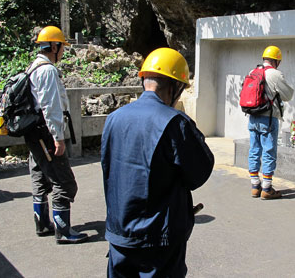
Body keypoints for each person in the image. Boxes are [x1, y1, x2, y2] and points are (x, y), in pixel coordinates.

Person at [101, 47, 214, 277]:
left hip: (119, 233)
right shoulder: (176, 123)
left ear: (145, 80)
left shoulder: (114, 118)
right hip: (158, 239)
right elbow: (199, 172)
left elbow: (109, 168)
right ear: (174, 87)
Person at [25, 26, 88, 244]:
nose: (63, 52)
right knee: (64, 181)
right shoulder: (48, 71)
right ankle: (63, 231)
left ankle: (42, 224)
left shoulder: (32, 68)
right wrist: (58, 137)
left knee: (40, 176)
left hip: (34, 133)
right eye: (62, 47)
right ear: (54, 46)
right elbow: (50, 107)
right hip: (47, 134)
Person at [248, 45, 294, 200]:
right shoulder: (275, 74)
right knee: (268, 151)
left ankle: (255, 186)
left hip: (252, 117)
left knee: (254, 150)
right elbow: (288, 95)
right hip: (268, 119)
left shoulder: (252, 72)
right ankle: (267, 188)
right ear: (277, 61)